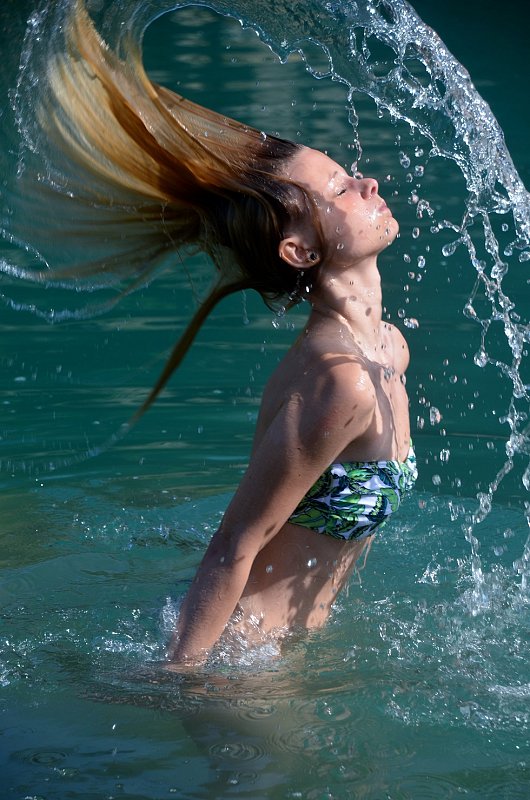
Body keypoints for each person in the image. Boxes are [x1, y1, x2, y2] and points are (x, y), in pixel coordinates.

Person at [30, 1, 417, 667]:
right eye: (343, 189)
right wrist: (183, 679)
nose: (368, 182)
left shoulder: (389, 348)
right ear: (300, 251)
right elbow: (234, 544)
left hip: (297, 652)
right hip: (243, 661)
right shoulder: (339, 381)